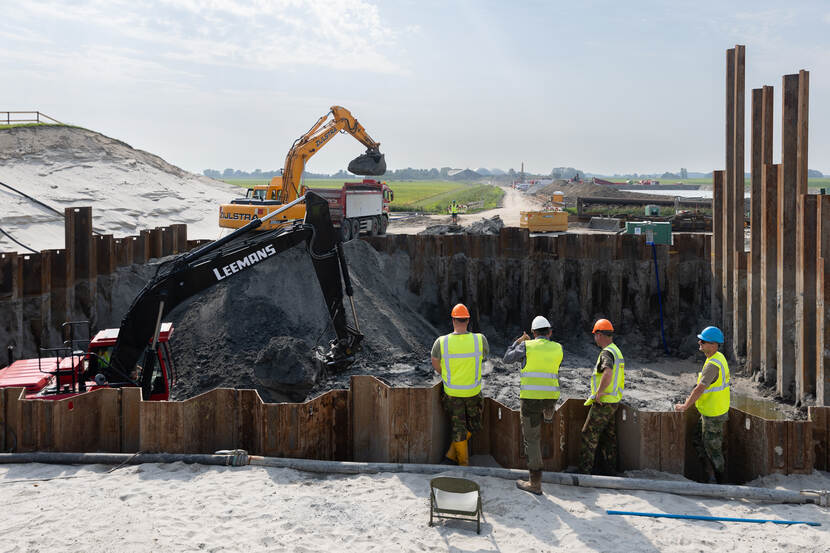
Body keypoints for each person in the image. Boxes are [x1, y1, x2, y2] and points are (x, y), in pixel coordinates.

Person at [503, 315, 562, 495]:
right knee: (546, 405)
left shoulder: (526, 346)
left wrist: (518, 342)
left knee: (532, 440)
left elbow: (506, 359)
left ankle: (535, 484)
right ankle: (549, 411)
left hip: (530, 400)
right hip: (551, 396)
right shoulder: (558, 348)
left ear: (533, 333)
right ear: (550, 332)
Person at [431, 303, 489, 466]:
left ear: (453, 320)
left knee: (461, 428)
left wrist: (447, 375)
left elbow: (435, 363)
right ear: (468, 320)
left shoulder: (441, 342)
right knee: (468, 427)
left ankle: (451, 455)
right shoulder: (480, 339)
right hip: (473, 393)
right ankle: (464, 463)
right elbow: (484, 357)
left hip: (452, 393)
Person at [675, 326, 730, 484]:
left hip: (714, 414)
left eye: (703, 341)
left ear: (713, 345)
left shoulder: (713, 364)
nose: (699, 342)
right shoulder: (717, 357)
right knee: (699, 440)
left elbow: (700, 388)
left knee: (713, 450)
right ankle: (710, 473)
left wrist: (685, 405)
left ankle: (720, 482)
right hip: (711, 411)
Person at [571, 318, 624, 475]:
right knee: (609, 438)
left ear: (600, 335)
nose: (594, 338)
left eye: (595, 334)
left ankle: (584, 472)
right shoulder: (616, 350)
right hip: (613, 401)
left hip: (604, 401)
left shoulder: (607, 353)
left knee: (588, 434)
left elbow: (608, 372)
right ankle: (610, 471)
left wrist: (599, 392)